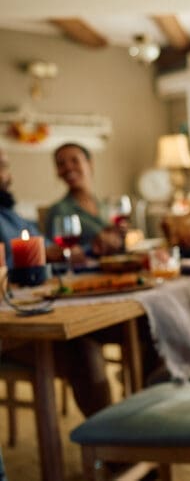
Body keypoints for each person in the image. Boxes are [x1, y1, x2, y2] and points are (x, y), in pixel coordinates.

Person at [0, 147, 114, 417]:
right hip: (12, 328)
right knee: (83, 352)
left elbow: (55, 251)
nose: (7, 175)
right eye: (1, 167)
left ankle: (139, 424)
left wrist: (88, 250)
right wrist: (43, 255)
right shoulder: (56, 211)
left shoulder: (13, 216)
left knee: (140, 327)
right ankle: (111, 448)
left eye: (5, 166)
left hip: (36, 305)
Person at [44, 142, 123, 260]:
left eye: (75, 160)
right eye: (61, 164)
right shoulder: (58, 210)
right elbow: (54, 254)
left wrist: (120, 236)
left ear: (90, 164)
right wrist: (93, 246)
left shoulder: (105, 206)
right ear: (58, 172)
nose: (68, 167)